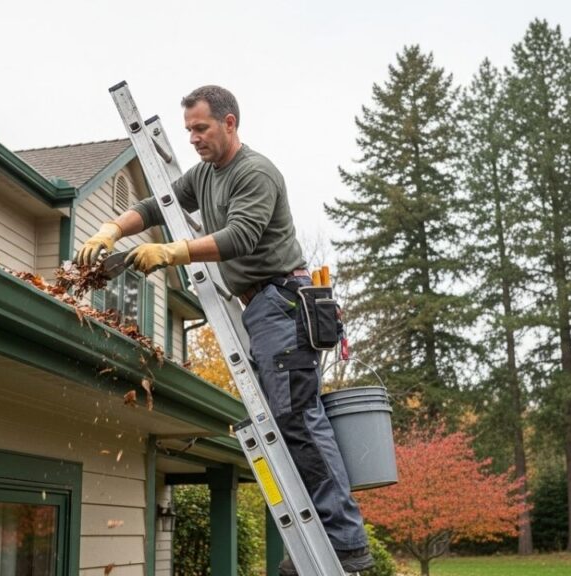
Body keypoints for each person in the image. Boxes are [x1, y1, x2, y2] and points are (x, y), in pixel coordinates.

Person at [75, 85, 373, 574]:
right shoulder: (206, 175)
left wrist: (174, 252)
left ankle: (343, 544)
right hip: (261, 308)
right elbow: (156, 205)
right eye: (189, 129)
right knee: (284, 420)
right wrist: (111, 230)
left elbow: (242, 236)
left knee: (297, 417)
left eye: (201, 128)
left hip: (282, 302)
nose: (193, 138)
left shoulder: (254, 172)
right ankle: (322, 537)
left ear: (229, 123)